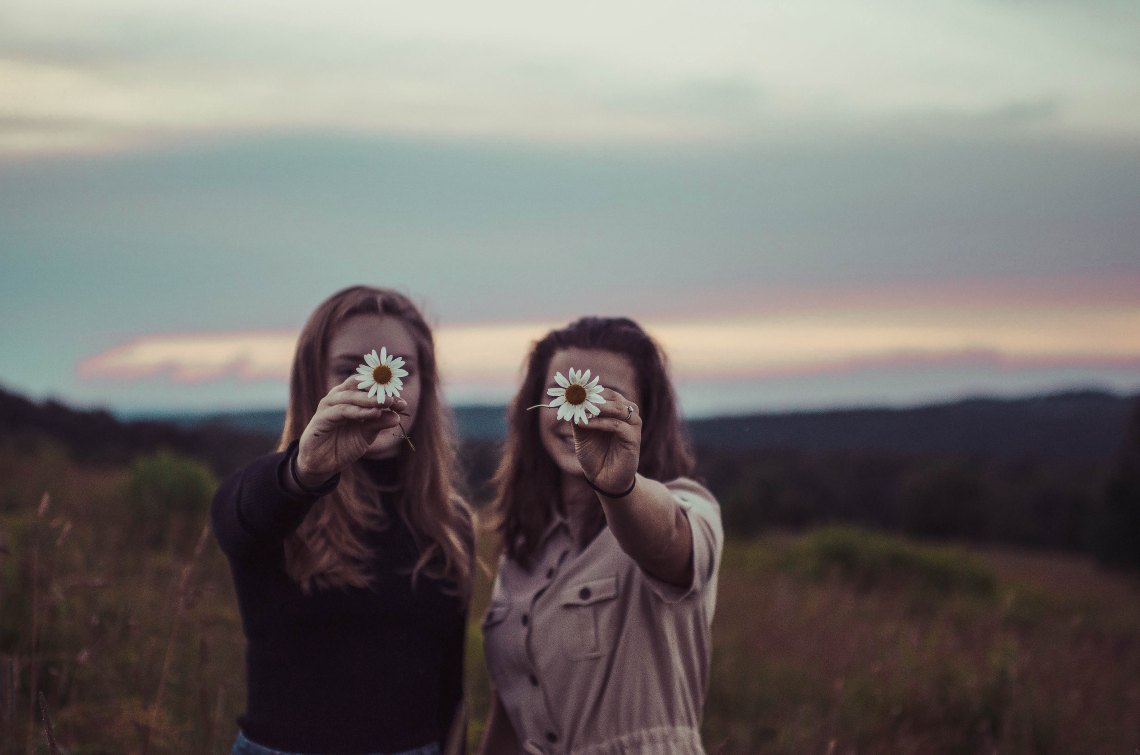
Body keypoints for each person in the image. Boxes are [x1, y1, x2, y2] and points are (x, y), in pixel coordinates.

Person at [211, 286, 473, 755]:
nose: (378, 385)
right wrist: (304, 471)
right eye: (351, 369)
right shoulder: (279, 496)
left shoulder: (450, 522)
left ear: (425, 384)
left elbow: (450, 687)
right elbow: (236, 518)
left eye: (401, 370)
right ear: (312, 380)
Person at [478, 317, 723, 755]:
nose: (580, 411)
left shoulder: (688, 506)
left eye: (607, 396)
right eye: (565, 392)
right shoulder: (524, 550)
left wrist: (619, 486)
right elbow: (512, 716)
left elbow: (666, 539)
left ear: (646, 412)